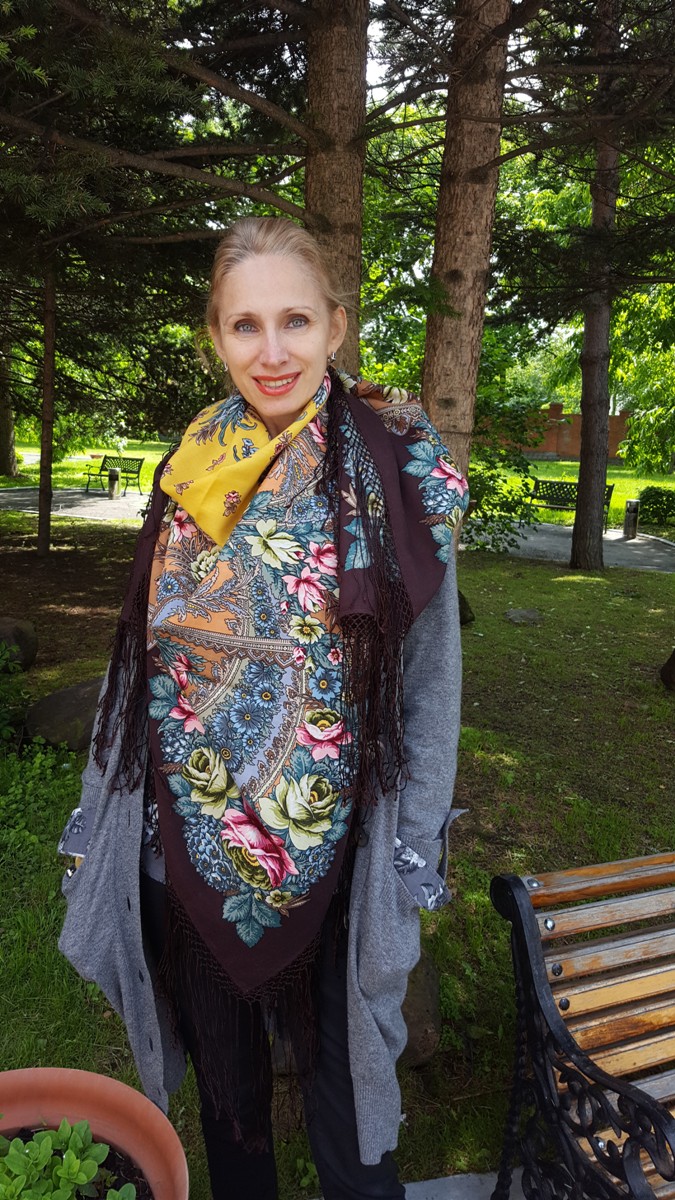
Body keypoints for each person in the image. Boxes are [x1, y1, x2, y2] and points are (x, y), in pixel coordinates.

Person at [58, 216, 469, 1200]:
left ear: (335, 326)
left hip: (342, 847)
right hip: (188, 839)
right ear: (216, 337)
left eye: (295, 321)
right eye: (246, 325)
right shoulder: (194, 465)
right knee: (231, 1110)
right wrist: (98, 803)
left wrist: (413, 846)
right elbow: (141, 659)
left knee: (353, 1123)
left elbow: (428, 683)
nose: (272, 351)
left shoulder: (399, 475)